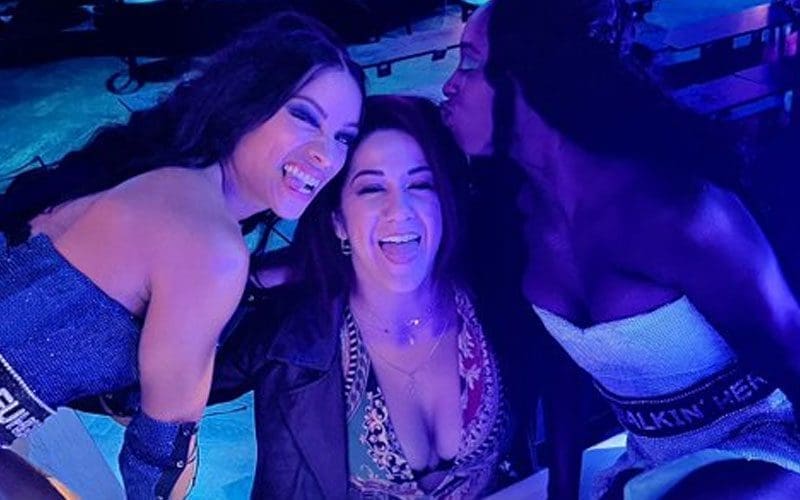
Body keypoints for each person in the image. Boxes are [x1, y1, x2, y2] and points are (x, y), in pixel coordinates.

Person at [442, 1, 800, 499]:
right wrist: (563, 490)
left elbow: (793, 350)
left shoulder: (680, 214)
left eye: (469, 63)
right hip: (651, 463)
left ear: (528, 77)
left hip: (763, 448)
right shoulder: (515, 218)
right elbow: (563, 367)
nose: (449, 86)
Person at [0, 12, 364, 498]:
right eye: (303, 116)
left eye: (344, 137)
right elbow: (155, 472)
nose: (326, 154)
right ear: (245, 100)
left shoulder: (160, 182)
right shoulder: (208, 245)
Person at [209, 95, 525, 498]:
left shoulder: (494, 297)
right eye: (372, 188)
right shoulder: (290, 336)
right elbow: (142, 387)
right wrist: (249, 275)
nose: (400, 210)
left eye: (420, 184)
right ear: (338, 221)